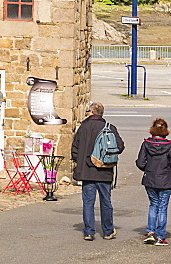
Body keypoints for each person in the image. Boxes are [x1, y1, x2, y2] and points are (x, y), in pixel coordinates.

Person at [71, 101, 124, 241]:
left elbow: (74, 150)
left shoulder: (83, 128)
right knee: (106, 201)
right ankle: (107, 231)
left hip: (87, 171)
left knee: (88, 202)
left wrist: (81, 162)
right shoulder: (109, 128)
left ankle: (89, 231)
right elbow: (120, 146)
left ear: (92, 112)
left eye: (88, 111)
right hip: (104, 170)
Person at [136, 118, 171, 245]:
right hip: (166, 180)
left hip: (150, 179)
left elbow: (140, 162)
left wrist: (149, 169)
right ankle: (160, 236)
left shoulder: (146, 144)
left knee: (153, 205)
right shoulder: (169, 145)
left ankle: (150, 232)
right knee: (162, 207)